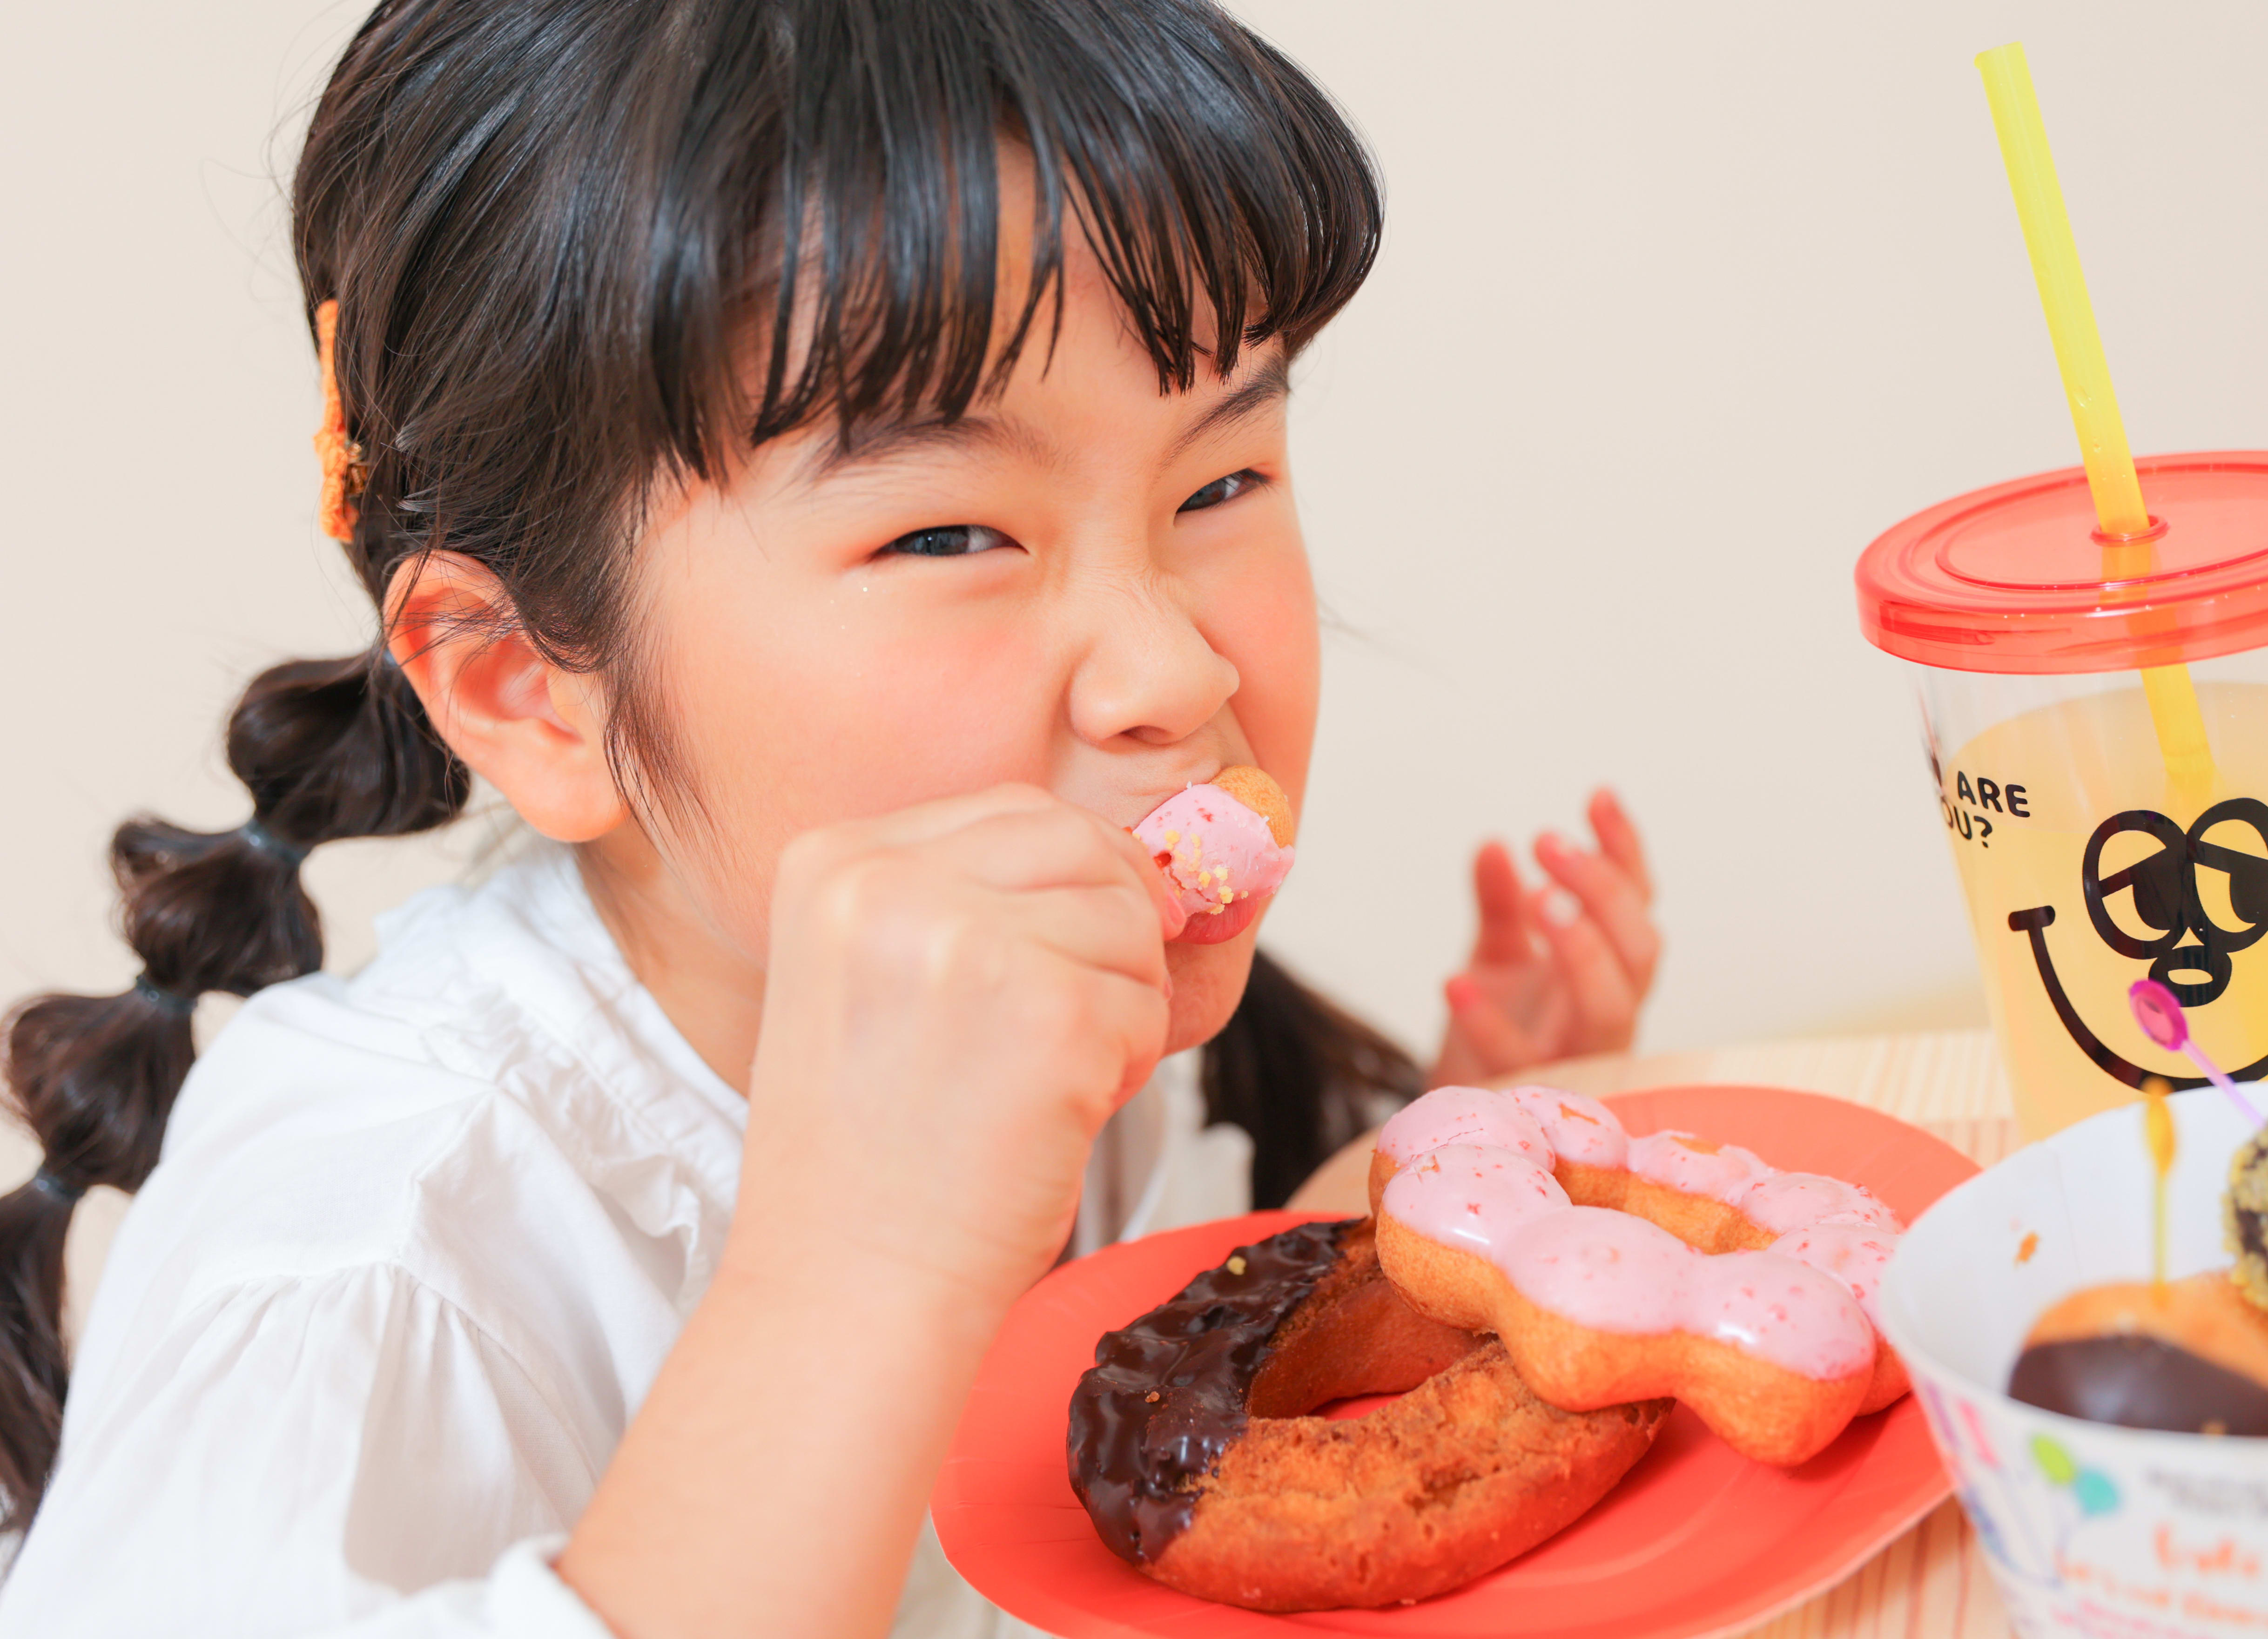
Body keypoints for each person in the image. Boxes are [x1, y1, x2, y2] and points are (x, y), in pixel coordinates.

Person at [0, 2, 1659, 1633]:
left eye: (1218, 484)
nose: (1170, 666)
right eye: (949, 537)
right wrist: (859, 1264)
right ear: (525, 687)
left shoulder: (1030, 1013)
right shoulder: (370, 1255)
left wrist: (1456, 1156)